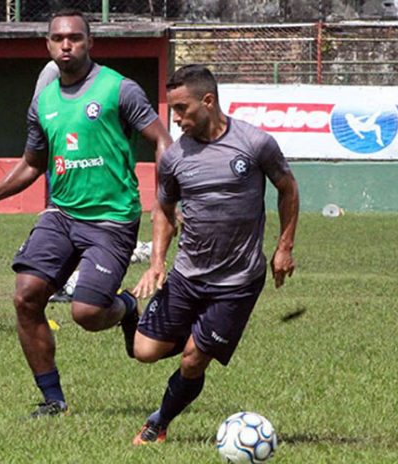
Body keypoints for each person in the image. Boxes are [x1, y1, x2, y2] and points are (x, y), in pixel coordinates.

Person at [0, 9, 172, 418]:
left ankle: (126, 307)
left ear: (89, 42)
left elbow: (162, 140)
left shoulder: (118, 89)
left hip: (111, 219)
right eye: (58, 38)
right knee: (26, 297)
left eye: (74, 37)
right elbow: (32, 163)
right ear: (48, 45)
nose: (66, 45)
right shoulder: (44, 101)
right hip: (61, 214)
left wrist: (166, 198)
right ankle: (53, 399)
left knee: (88, 314)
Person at [130, 64, 299, 445]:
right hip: (188, 275)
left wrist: (284, 246)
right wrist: (157, 261)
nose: (176, 119)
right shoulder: (174, 158)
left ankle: (159, 421)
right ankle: (136, 314)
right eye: (172, 110)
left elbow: (288, 188)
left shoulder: (255, 144)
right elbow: (163, 210)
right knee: (143, 351)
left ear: (208, 101)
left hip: (237, 282)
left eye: (182, 109)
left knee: (192, 359)